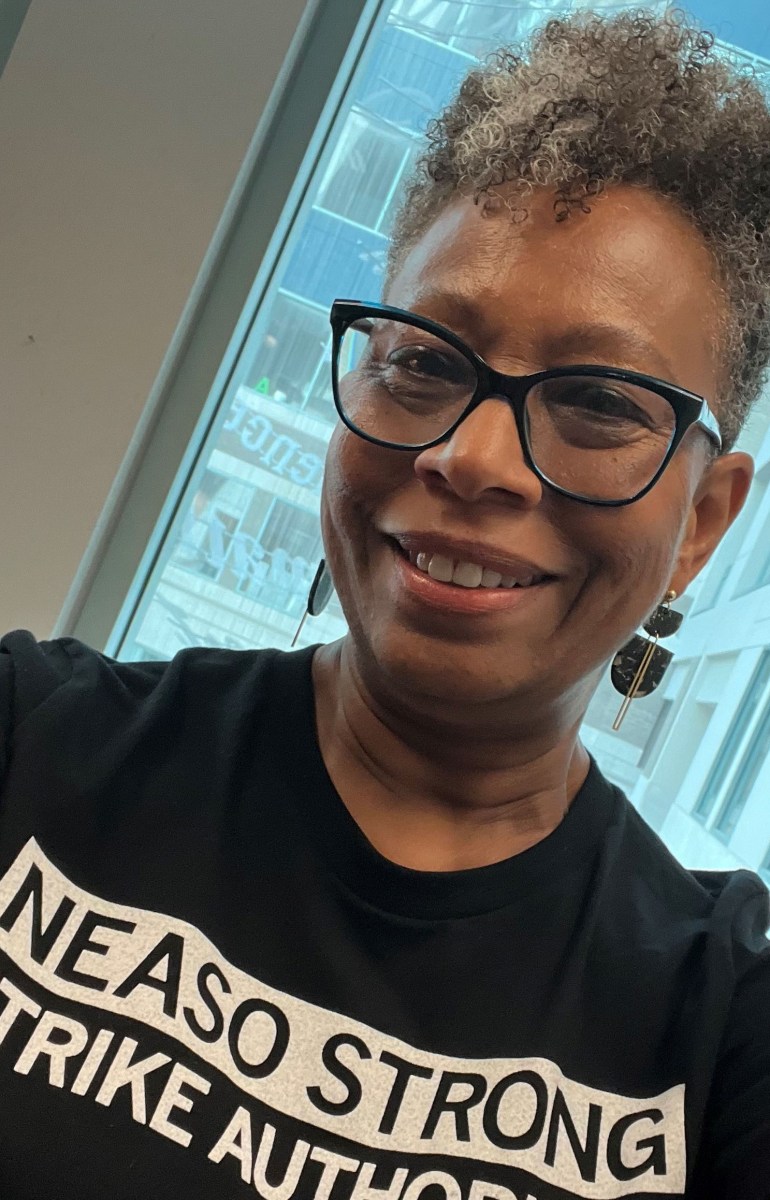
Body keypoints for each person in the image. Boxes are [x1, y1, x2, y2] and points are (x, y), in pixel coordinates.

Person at [0, 10, 769, 1199]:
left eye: (600, 401)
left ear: (702, 522)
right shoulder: (32, 741)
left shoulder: (717, 1025)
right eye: (422, 359)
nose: (472, 459)